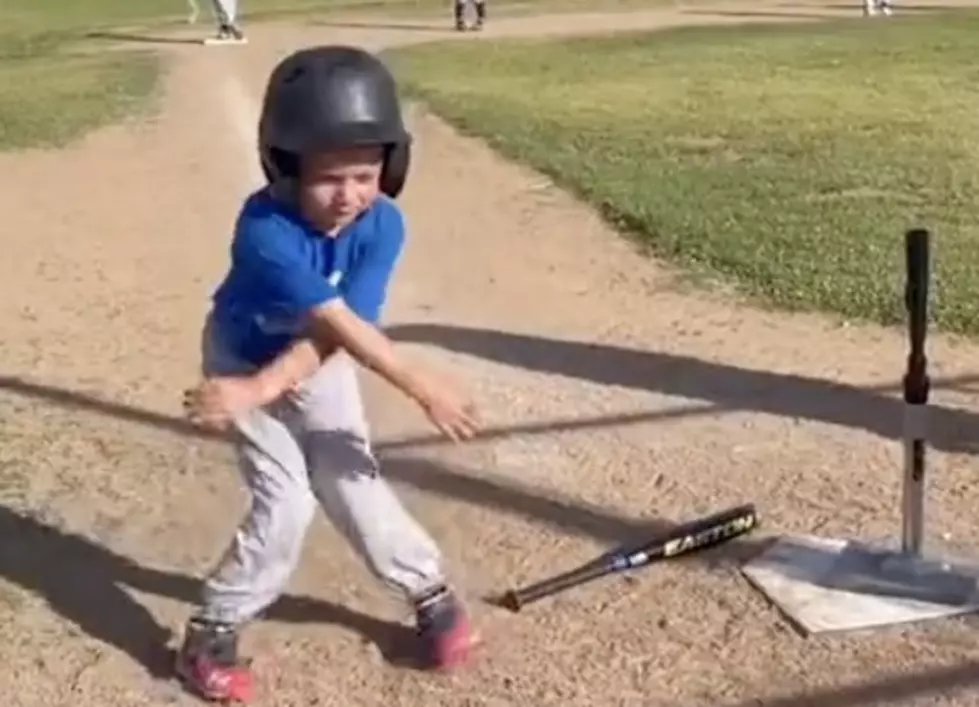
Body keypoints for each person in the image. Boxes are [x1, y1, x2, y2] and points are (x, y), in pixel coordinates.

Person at [176, 45, 482, 703]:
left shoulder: (383, 225)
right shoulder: (263, 229)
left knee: (349, 474)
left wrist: (267, 387)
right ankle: (212, 631)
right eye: (328, 177)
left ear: (390, 167)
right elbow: (342, 326)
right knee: (286, 502)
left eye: (365, 174)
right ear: (285, 170)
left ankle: (429, 593)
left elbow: (336, 337)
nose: (348, 195)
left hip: (313, 359)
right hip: (242, 358)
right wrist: (418, 382)